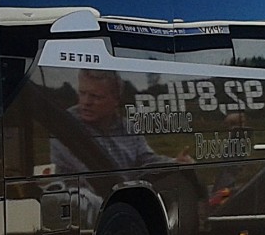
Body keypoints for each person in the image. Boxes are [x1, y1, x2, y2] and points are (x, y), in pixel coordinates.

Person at [50, 68, 186, 173]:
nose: (86, 102)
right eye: (82, 93)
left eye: (95, 96)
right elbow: (93, 175)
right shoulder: (65, 126)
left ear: (115, 99)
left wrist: (175, 163)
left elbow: (145, 159)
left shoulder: (128, 128)